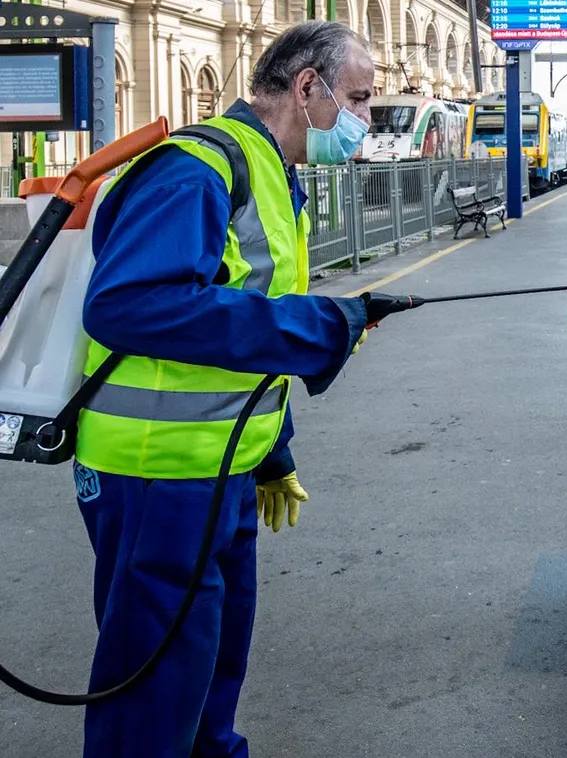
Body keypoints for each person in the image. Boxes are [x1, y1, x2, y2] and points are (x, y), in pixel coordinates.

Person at [72, 20, 396, 758]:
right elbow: (130, 304)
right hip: (157, 471)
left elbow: (239, 321)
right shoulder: (197, 167)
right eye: (359, 99)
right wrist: (317, 328)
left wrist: (271, 452)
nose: (365, 121)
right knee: (153, 688)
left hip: (219, 468)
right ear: (306, 87)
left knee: (209, 668)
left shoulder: (269, 172)